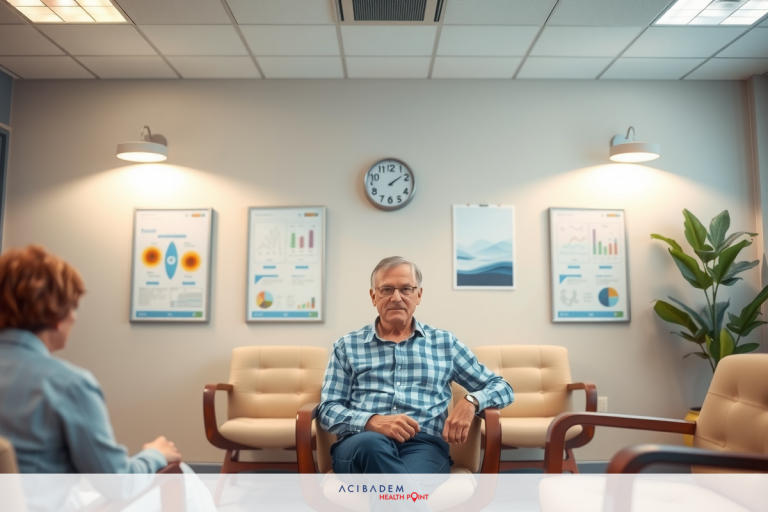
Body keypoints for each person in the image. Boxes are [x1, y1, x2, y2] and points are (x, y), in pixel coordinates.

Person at [318, 256, 514, 474]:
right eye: (386, 290)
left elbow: (502, 388)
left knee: (401, 483)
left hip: (423, 447)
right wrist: (371, 421)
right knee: (372, 447)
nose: (396, 297)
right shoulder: (347, 346)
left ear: (418, 295)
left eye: (406, 289)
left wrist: (471, 401)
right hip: (361, 443)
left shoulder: (445, 343)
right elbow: (327, 410)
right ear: (373, 296)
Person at [0, 245, 181, 473]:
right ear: (57, 315)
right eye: (73, 308)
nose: (74, 318)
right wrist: (155, 453)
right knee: (184, 477)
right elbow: (116, 482)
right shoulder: (67, 385)